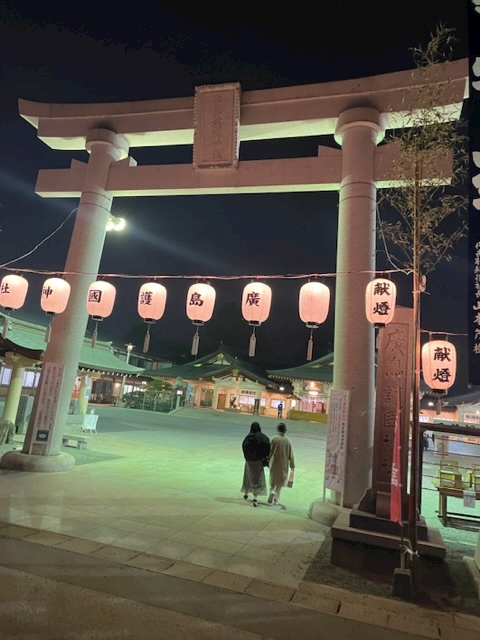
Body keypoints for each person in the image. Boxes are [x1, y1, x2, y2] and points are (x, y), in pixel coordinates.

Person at [241, 422, 270, 507]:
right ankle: (255, 497)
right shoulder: (263, 437)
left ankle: (246, 493)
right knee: (257, 479)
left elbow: (244, 447)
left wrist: (247, 457)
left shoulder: (247, 438)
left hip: (249, 461)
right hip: (258, 461)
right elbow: (268, 448)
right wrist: (264, 457)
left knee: (248, 477)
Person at [268, 422, 295, 508]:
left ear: (277, 429)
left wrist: (267, 460)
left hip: (273, 463)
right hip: (283, 464)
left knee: (273, 481)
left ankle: (272, 491)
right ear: (285, 430)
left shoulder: (273, 439)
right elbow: (291, 455)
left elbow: (268, 451)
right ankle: (276, 499)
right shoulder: (288, 441)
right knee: (280, 483)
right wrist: (292, 466)